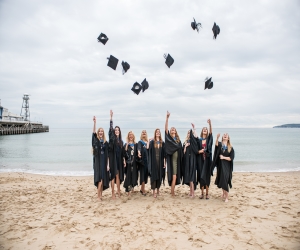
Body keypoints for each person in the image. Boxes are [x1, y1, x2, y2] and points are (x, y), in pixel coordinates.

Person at [192, 119, 213, 200]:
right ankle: (202, 193)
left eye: (206, 130)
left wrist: (210, 124)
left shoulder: (208, 140)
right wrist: (199, 151)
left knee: (207, 177)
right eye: (204, 129)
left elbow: (211, 133)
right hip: (200, 161)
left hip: (207, 161)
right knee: (201, 176)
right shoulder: (199, 140)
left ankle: (207, 194)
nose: (205, 130)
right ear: (202, 131)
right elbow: (195, 138)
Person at [211, 133, 235, 202]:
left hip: (227, 166)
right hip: (220, 166)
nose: (225, 135)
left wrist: (223, 157)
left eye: (226, 135)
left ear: (228, 138)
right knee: (222, 179)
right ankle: (223, 193)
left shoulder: (230, 148)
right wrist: (217, 138)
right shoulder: (220, 145)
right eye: (224, 135)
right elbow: (216, 146)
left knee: (225, 180)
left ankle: (227, 197)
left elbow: (231, 158)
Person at [164, 111, 183, 197]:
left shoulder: (178, 141)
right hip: (171, 160)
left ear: (175, 131)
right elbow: (165, 129)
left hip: (177, 160)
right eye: (171, 129)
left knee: (176, 176)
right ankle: (172, 193)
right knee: (173, 176)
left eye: (173, 129)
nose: (172, 130)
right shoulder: (169, 139)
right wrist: (167, 118)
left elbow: (181, 150)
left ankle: (173, 191)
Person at [108, 110, 125, 199]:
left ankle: (118, 191)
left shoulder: (121, 141)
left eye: (118, 130)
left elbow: (122, 153)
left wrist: (124, 160)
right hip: (113, 159)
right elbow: (110, 129)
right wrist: (111, 118)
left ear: (119, 131)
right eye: (116, 130)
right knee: (113, 176)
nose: (117, 131)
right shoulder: (113, 139)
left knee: (118, 175)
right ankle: (113, 193)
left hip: (119, 160)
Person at [92, 116, 110, 201]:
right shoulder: (96, 141)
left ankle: (101, 195)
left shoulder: (106, 143)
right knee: (99, 180)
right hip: (97, 163)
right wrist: (95, 123)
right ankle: (98, 196)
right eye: (99, 131)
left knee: (102, 179)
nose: (100, 132)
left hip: (104, 162)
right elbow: (93, 133)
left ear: (103, 133)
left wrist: (108, 165)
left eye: (102, 131)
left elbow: (108, 155)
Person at [147, 128, 166, 198]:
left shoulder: (162, 142)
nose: (158, 133)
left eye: (159, 132)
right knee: (154, 176)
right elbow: (147, 148)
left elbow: (164, 154)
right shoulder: (152, 142)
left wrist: (164, 163)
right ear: (155, 133)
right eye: (156, 132)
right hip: (153, 161)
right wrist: (149, 140)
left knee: (159, 176)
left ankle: (158, 190)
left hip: (160, 161)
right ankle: (154, 192)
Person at [183, 129, 197, 198]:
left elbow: (196, 138)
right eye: (188, 133)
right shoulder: (185, 142)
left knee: (192, 177)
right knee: (189, 176)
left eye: (190, 133)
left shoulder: (193, 142)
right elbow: (184, 152)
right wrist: (186, 146)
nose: (189, 134)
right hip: (187, 161)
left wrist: (194, 129)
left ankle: (193, 193)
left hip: (192, 160)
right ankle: (190, 192)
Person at [123, 131, 138, 195]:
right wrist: (124, 161)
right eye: (129, 135)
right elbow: (124, 153)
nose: (131, 136)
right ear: (128, 136)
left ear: (133, 136)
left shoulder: (136, 144)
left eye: (132, 135)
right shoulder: (126, 144)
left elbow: (137, 153)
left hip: (134, 162)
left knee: (134, 175)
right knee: (128, 175)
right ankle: (128, 190)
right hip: (128, 162)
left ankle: (132, 188)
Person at [137, 130, 149, 195]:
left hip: (147, 161)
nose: (144, 133)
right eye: (143, 132)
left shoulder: (147, 142)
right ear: (141, 134)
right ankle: (143, 190)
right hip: (142, 161)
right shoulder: (140, 142)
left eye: (145, 132)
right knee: (142, 175)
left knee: (145, 175)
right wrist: (138, 153)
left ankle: (142, 189)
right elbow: (138, 148)